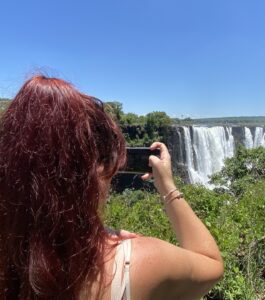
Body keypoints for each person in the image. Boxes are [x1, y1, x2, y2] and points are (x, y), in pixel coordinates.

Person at [0, 75, 224, 300]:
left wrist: (95, 233)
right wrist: (168, 187)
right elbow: (212, 264)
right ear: (97, 170)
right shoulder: (141, 263)